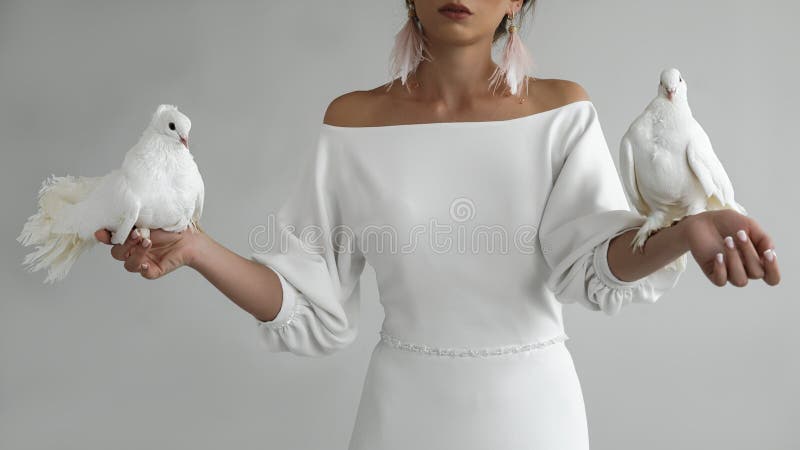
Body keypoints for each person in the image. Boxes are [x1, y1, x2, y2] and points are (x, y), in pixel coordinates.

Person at [95, 1, 780, 448]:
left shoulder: (563, 113)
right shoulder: (351, 123)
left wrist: (684, 231)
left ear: (518, 1)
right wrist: (194, 247)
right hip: (402, 416)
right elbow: (309, 302)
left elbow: (593, 265)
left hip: (533, 417)